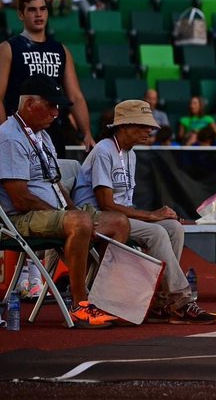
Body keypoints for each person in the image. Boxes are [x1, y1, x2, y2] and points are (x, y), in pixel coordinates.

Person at [73, 100, 216, 325]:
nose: (149, 130)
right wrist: (151, 216)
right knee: (157, 232)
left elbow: (124, 205)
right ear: (123, 126)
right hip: (95, 217)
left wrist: (154, 216)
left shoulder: (129, 154)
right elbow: (106, 204)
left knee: (174, 228)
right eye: (142, 126)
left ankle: (160, 303)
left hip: (119, 217)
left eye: (149, 126)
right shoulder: (103, 150)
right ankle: (181, 301)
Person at [0, 75, 127, 327]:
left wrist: (72, 210)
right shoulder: (10, 138)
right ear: (29, 104)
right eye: (50, 105)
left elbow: (56, 183)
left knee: (118, 222)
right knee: (80, 222)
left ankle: (102, 298)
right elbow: (20, 198)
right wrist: (68, 217)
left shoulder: (42, 135)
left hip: (50, 213)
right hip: (20, 219)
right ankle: (80, 305)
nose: (56, 113)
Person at [0, 0, 95, 154]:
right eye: (32, 9)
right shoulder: (8, 48)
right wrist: (4, 134)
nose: (38, 14)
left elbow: (75, 96)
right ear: (21, 15)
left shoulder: (61, 50)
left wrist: (86, 132)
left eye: (42, 9)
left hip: (52, 131)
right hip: (19, 131)